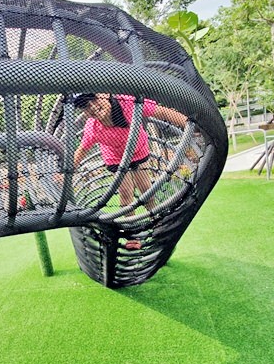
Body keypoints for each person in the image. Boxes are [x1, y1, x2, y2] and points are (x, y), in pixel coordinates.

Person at [72, 93, 188, 249]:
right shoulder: (93, 128)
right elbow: (83, 149)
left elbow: (161, 111)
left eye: (93, 99)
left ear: (105, 95)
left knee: (146, 190)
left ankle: (158, 225)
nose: (92, 106)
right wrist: (68, 170)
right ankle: (132, 235)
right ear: (83, 112)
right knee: (126, 193)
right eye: (85, 106)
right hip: (115, 158)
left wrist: (188, 124)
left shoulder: (128, 103)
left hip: (138, 150)